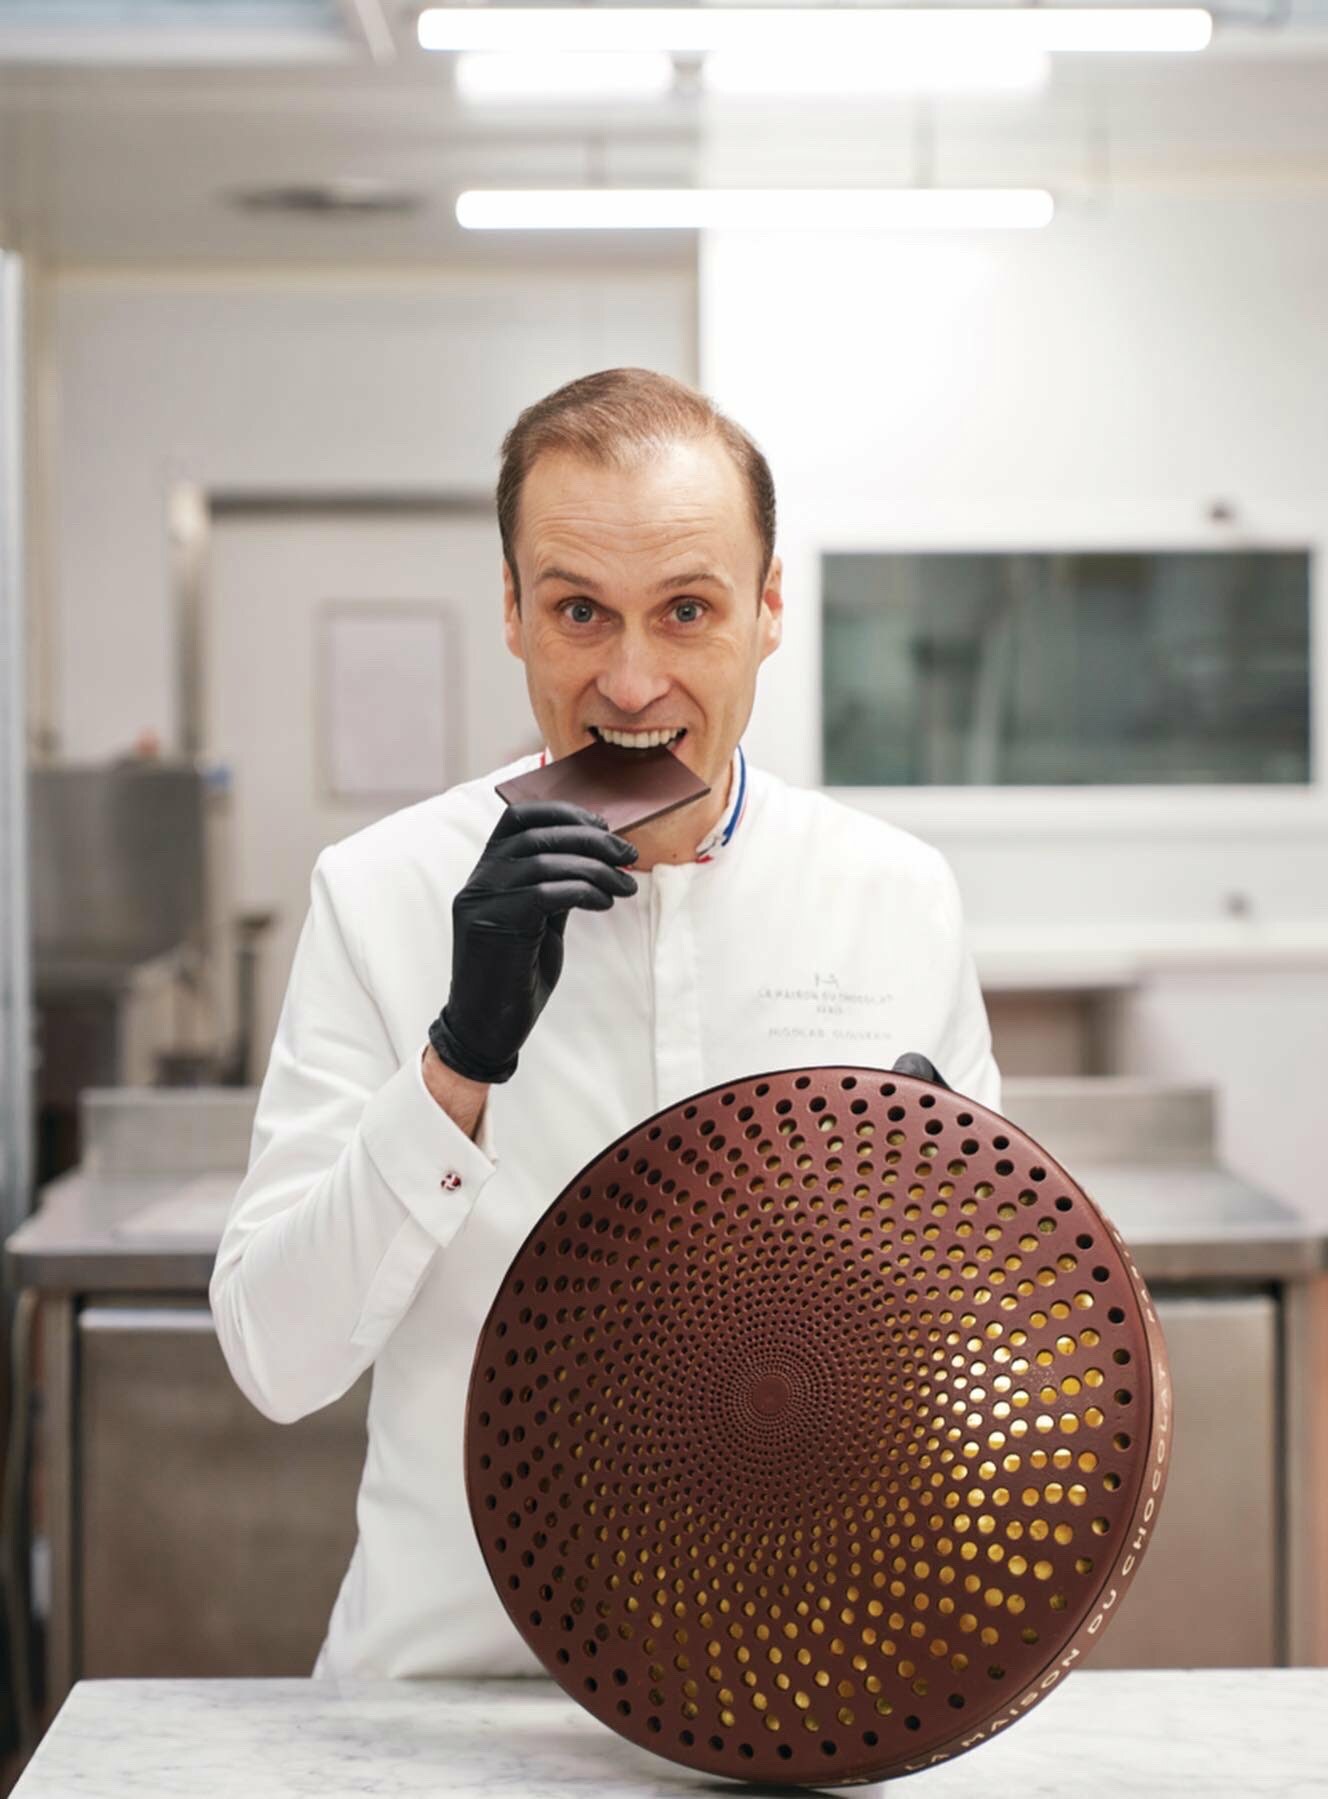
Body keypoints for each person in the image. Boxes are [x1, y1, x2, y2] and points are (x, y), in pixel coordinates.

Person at [210, 367, 1001, 1681]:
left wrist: (918, 1250)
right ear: (513, 613)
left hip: (796, 1686)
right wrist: (456, 1064)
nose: (632, 684)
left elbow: (986, 1365)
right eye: (580, 610)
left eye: (687, 610)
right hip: (456, 1687)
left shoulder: (892, 895)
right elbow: (275, 1359)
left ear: (768, 610)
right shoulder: (381, 890)